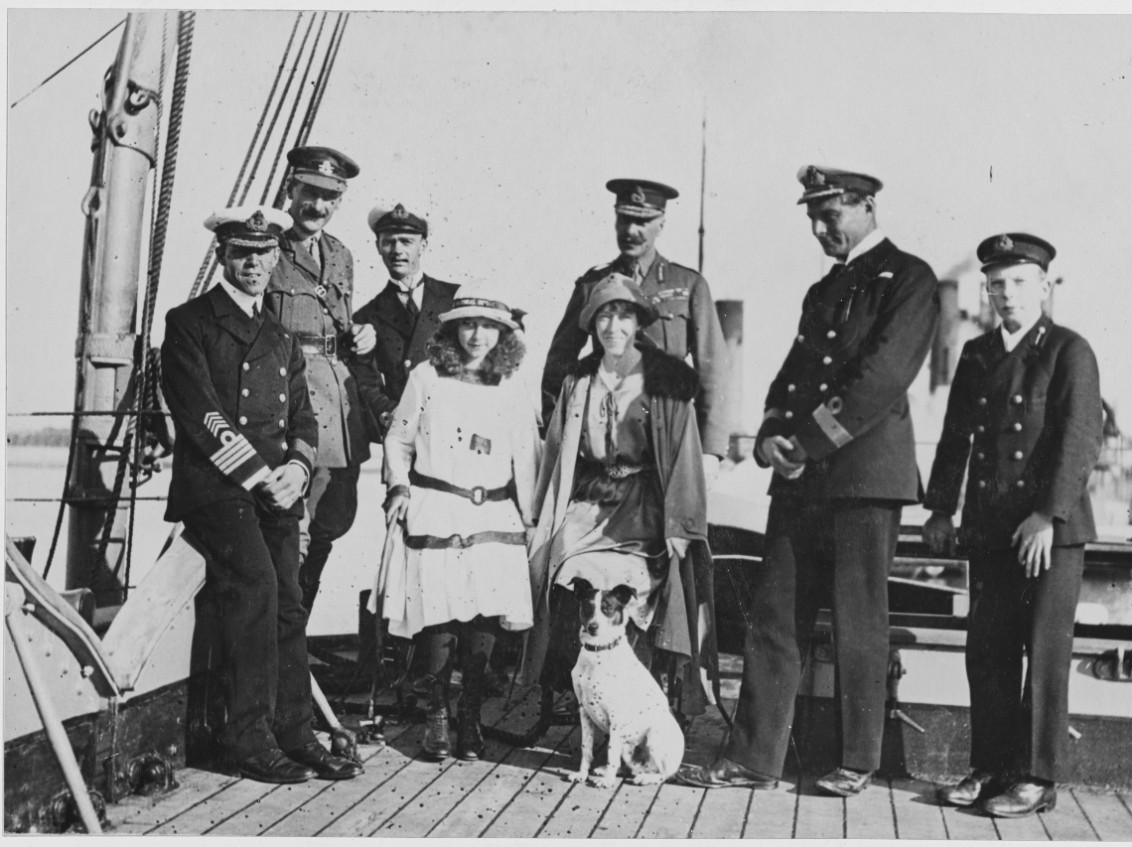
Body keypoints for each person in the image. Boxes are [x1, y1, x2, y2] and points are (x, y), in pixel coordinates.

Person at [678, 166, 939, 796]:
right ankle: (754, 759)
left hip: (863, 480)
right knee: (775, 616)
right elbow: (793, 373)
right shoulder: (824, 291)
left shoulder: (909, 280)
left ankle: (858, 760)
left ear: (868, 206)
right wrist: (770, 433)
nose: (822, 230)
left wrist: (808, 442)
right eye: (813, 219)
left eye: (832, 216)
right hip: (801, 480)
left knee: (858, 621)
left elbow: (882, 377)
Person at [161, 206, 361, 784]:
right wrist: (259, 475)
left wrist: (298, 468)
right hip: (218, 488)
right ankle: (247, 738)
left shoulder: (278, 334)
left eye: (263, 253)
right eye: (242, 252)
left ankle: (295, 733)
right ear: (223, 255)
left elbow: (303, 414)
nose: (253, 263)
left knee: (290, 602)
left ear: (277, 259)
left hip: (275, 489)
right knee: (256, 587)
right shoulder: (190, 321)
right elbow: (200, 412)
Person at [923, 233, 1103, 818]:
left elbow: (1079, 440)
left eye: (1019, 282)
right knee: (989, 649)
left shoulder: (1070, 351)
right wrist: (941, 508)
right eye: (996, 284)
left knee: (1044, 650)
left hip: (1051, 530)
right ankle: (991, 765)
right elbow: (956, 439)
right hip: (992, 527)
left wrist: (1046, 516)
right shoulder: (977, 354)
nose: (1006, 294)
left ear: (1044, 288)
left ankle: (1035, 776)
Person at [524, 274, 716, 723]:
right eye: (604, 316)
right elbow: (556, 452)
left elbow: (686, 456)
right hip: (590, 504)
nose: (613, 326)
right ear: (591, 325)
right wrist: (541, 517)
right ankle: (579, 687)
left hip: (645, 508)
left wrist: (682, 526)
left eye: (623, 315)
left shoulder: (664, 380)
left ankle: (632, 696)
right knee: (563, 568)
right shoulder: (578, 381)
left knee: (636, 584)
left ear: (637, 323)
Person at [379, 289, 540, 761]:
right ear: (452, 329)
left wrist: (528, 517)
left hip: (492, 512)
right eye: (468, 325)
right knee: (439, 610)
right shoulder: (426, 376)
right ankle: (437, 715)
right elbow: (398, 438)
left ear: (503, 334)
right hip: (437, 504)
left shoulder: (510, 383)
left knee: (485, 612)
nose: (477, 335)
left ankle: (470, 715)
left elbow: (526, 454)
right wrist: (399, 488)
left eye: (489, 326)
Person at [540, 178, 730, 482]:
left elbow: (714, 370)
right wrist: (561, 433)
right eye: (625, 219)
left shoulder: (689, 285)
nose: (631, 231)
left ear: (661, 223)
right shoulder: (593, 285)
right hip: (606, 441)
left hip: (670, 435)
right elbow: (559, 363)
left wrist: (710, 450)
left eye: (642, 221)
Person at [264, 145, 377, 614]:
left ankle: (295, 627)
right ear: (291, 190)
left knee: (331, 520)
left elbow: (341, 324)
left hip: (338, 406)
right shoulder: (268, 246)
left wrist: (362, 334)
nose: (318, 206)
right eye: (310, 192)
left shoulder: (341, 255)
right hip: (289, 401)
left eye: (329, 198)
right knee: (292, 527)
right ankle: (281, 639)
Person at [351, 203, 460, 435]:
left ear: (423, 246)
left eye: (406, 242)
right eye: (389, 241)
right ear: (378, 247)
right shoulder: (366, 316)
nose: (397, 250)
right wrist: (398, 417)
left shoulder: (456, 299)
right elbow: (367, 383)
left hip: (453, 428)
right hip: (402, 433)